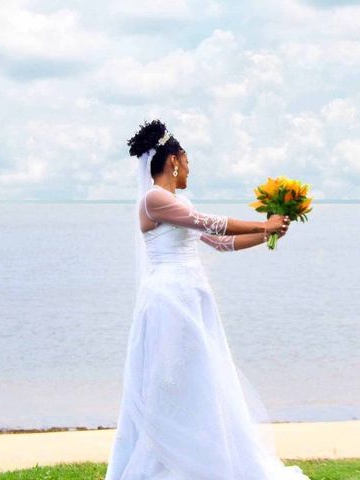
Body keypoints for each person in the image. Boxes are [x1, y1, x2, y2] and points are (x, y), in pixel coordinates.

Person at [105, 120, 308, 479]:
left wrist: (268, 235)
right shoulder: (155, 198)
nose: (189, 171)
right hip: (169, 300)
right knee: (170, 380)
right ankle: (164, 462)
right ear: (174, 161)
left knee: (202, 378)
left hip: (193, 298)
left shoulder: (178, 200)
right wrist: (264, 224)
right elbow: (210, 222)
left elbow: (220, 241)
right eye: (188, 162)